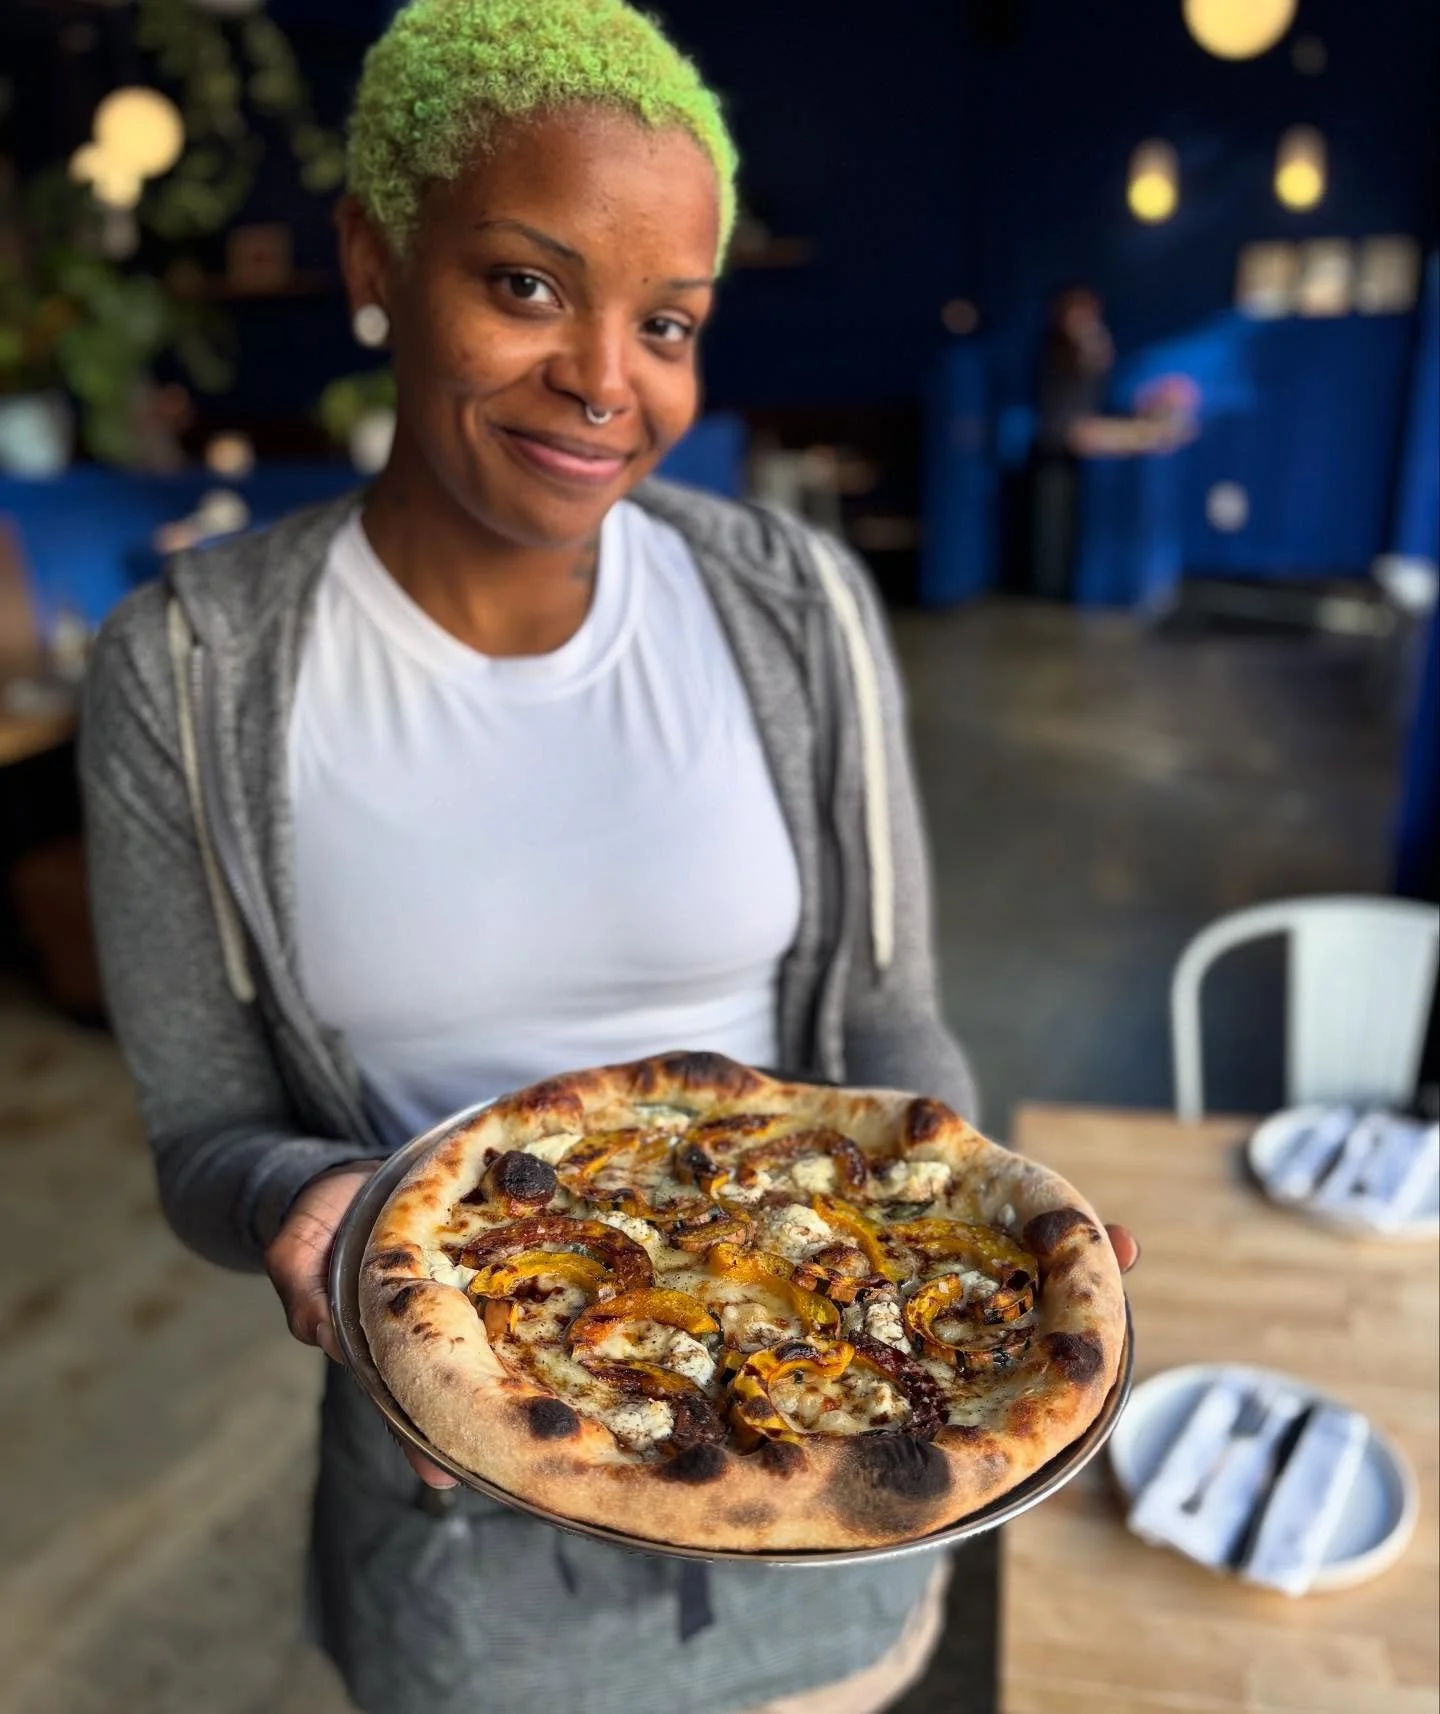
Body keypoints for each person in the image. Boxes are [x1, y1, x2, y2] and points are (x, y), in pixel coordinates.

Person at [80, 5, 1137, 1712]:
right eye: (524, 284)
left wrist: (987, 1231)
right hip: (461, 1557)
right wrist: (307, 1205)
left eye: (668, 320)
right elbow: (208, 1131)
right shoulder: (188, 670)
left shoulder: (798, 607)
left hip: (846, 1529)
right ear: (376, 257)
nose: (604, 378)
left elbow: (893, 1037)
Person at [1029, 286, 1196, 599]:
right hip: (1056, 444)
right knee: (1051, 524)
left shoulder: (1091, 346)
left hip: (1078, 442)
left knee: (1071, 524)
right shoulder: (1054, 349)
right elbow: (1060, 408)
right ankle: (1047, 586)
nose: (1086, 320)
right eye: (1079, 312)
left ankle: (1062, 584)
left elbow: (1098, 369)